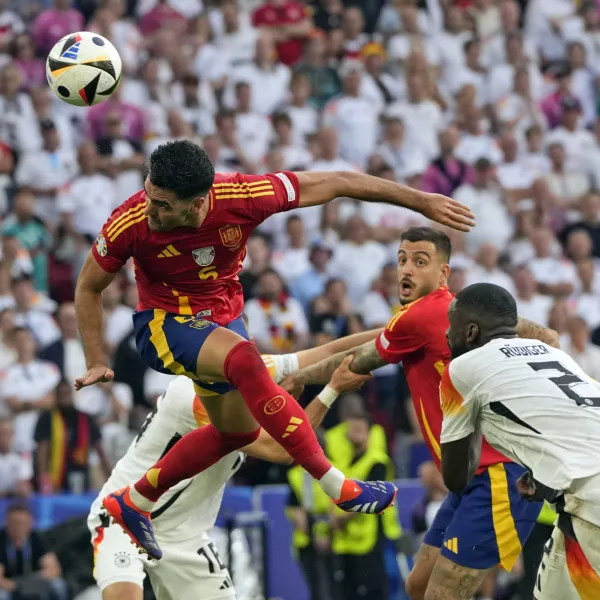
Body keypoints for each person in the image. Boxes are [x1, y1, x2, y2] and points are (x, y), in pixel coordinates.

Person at [74, 140, 474, 558]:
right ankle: (336, 484)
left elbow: (336, 180)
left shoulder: (244, 196)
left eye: (161, 204)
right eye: (148, 192)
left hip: (220, 322)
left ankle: (134, 500)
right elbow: (88, 286)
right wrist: (96, 359)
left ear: (197, 204)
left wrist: (420, 200)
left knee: (237, 433)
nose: (149, 208)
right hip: (164, 324)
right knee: (246, 360)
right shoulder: (129, 220)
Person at [286, 226, 559, 599]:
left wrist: (300, 377)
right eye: (401, 260)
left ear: (443, 272)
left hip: (497, 476)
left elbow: (355, 361)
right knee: (418, 586)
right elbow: (548, 338)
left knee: (442, 594)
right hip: (471, 480)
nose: (406, 270)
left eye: (420, 261)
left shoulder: (421, 316)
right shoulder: (464, 312)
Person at [89, 351, 371, 600]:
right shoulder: (194, 393)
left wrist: (400, 327)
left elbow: (331, 350)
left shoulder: (244, 377)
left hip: (185, 537)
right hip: (123, 516)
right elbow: (282, 449)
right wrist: (331, 389)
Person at [441, 283, 600, 600]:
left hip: (590, 502)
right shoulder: (555, 354)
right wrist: (540, 468)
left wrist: (472, 419)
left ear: (471, 332)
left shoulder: (461, 369)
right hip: (582, 496)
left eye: (452, 325)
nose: (447, 334)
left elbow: (457, 477)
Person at [0, 504, 68, 600]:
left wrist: (31, 581)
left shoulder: (37, 539)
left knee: (58, 585)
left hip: (34, 581)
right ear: (7, 523)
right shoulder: (2, 541)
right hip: (10, 585)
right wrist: (16, 585)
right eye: (14, 523)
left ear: (30, 524)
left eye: (22, 523)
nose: (18, 527)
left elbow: (54, 570)